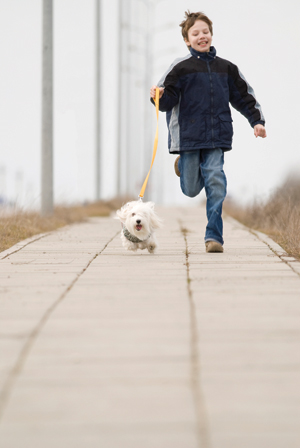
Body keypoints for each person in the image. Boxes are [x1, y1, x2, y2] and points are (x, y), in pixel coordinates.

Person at [150, 10, 266, 253]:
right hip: (189, 138)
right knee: (191, 189)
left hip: (216, 136)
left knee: (215, 179)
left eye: (205, 32)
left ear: (211, 35)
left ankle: (214, 237)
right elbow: (167, 100)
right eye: (195, 33)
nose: (202, 36)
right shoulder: (180, 68)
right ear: (186, 40)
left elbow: (244, 97)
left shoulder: (226, 68)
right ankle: (184, 165)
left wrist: (256, 121)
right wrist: (158, 97)